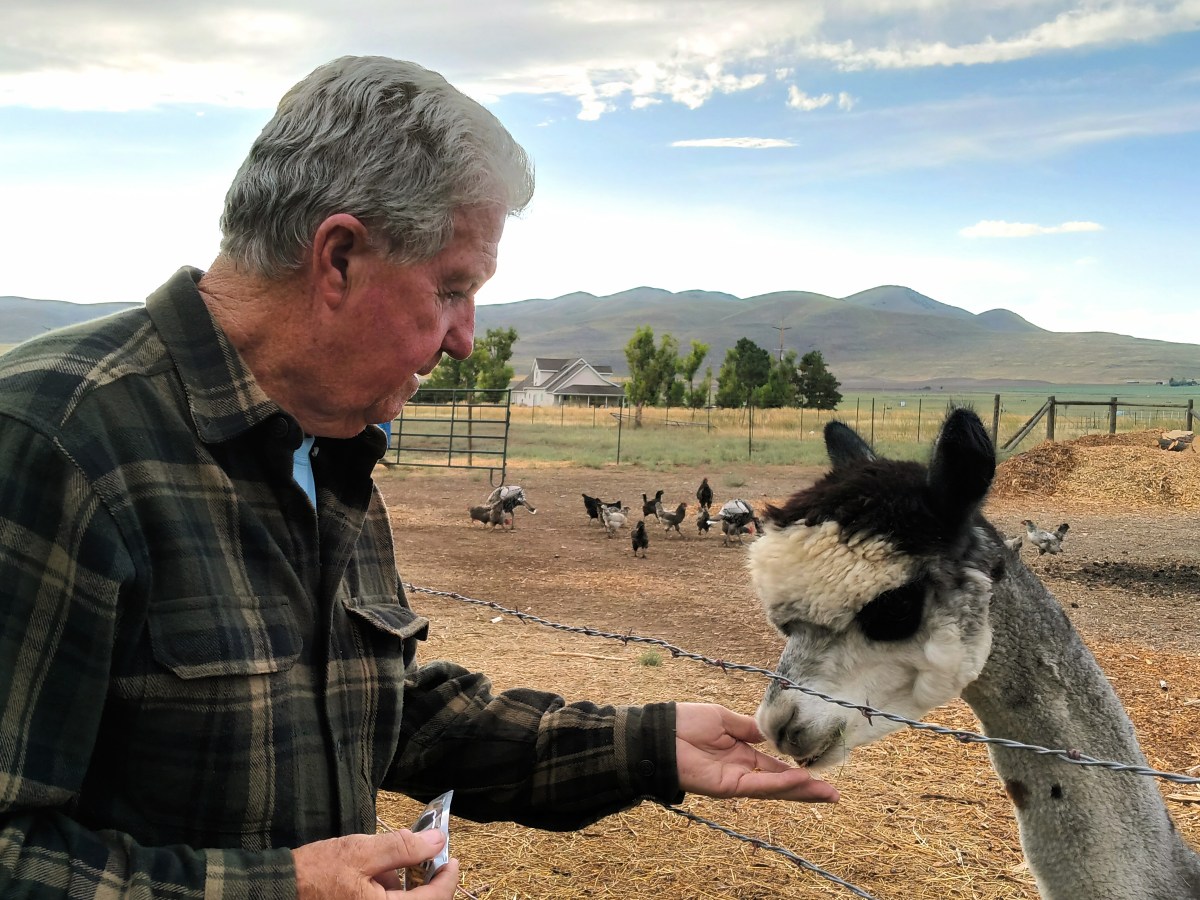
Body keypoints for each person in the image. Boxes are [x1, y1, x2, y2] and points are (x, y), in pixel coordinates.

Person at [0, 55, 838, 899]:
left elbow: (384, 714)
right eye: (452, 289)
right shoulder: (53, 446)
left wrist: (642, 745)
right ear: (338, 258)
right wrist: (280, 891)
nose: (466, 338)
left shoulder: (326, 444)